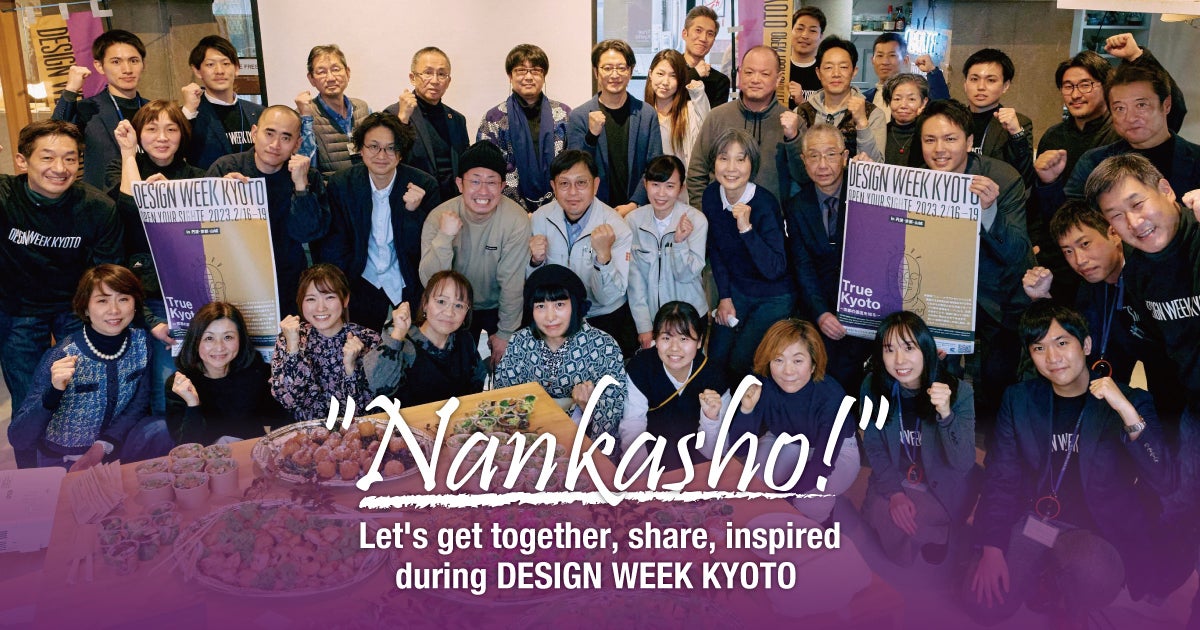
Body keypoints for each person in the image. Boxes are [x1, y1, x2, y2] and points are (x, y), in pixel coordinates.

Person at [966, 300, 1182, 625]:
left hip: (1092, 531)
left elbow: (1163, 478)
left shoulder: (1130, 401)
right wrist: (992, 547)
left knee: (1094, 575)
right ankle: (1039, 572)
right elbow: (1002, 476)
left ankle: (1063, 589)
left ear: (1086, 345)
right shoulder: (1019, 399)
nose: (1052, 357)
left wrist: (1126, 412)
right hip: (1034, 519)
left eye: (1062, 343)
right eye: (1039, 348)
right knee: (983, 606)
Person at [1086, 154, 1200, 531]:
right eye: (1117, 216)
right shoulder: (1138, 274)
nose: (1134, 222)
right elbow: (1153, 346)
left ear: (1166, 190)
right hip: (1194, 411)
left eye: (1137, 204)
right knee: (1182, 511)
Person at [1, 120, 123, 467]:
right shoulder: (5, 196)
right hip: (17, 310)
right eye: (48, 157)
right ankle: (31, 476)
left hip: (73, 308)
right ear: (22, 161)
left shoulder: (98, 208)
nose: (60, 168)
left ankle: (81, 470)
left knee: (82, 390)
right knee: (29, 396)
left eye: (70, 158)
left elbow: (107, 272)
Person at [916, 99, 1033, 436]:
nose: (939, 149)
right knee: (938, 378)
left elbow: (1017, 252)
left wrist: (988, 211)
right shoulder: (916, 179)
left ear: (969, 142)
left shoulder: (1001, 177)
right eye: (930, 140)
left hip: (999, 297)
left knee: (997, 383)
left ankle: (995, 447)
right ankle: (945, 439)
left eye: (950, 139)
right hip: (942, 298)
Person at [1023, 200, 1184, 428]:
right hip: (1145, 376)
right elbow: (1079, 352)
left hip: (1181, 370)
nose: (1079, 260)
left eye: (1085, 244)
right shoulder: (1090, 288)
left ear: (1114, 233)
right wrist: (1041, 299)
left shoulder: (1151, 267)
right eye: (1068, 251)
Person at [9, 264, 172, 470]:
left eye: (123, 299)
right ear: (85, 307)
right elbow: (19, 438)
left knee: (162, 429)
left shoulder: (141, 343)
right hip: (65, 460)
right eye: (102, 300)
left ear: (135, 304)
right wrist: (52, 393)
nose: (114, 310)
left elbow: (137, 405)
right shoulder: (62, 355)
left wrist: (103, 445)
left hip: (111, 448)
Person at [108, 102, 205, 415]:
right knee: (162, 385)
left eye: (171, 129)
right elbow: (128, 213)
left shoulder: (197, 176)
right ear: (139, 134)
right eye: (151, 129)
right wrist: (128, 154)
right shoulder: (123, 170)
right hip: (148, 297)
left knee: (199, 376)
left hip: (195, 291)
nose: (162, 137)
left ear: (182, 134)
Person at [861, 311, 976, 567]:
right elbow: (874, 446)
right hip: (897, 474)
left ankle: (940, 532)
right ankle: (920, 531)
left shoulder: (960, 392)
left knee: (911, 522)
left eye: (909, 347)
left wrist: (946, 414)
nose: (899, 360)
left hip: (940, 482)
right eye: (889, 349)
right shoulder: (872, 386)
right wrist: (895, 493)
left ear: (926, 349)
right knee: (885, 516)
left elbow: (963, 462)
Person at [313, 112, 440, 330]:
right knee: (360, 343)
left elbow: (426, 249)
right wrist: (342, 288)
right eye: (374, 146)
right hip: (360, 280)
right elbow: (334, 243)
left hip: (408, 281)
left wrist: (413, 213)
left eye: (391, 148)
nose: (382, 155)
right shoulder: (342, 184)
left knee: (412, 343)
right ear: (361, 149)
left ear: (401, 153)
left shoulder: (424, 185)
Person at [1039, 41, 1200, 210]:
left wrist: (1138, 56)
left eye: (1141, 105)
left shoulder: (1195, 159)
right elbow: (1069, 219)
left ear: (1166, 105)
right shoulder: (1093, 161)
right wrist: (1050, 183)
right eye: (1120, 108)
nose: (1130, 118)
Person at [728, 319, 858, 524]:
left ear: (813, 364)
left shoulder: (832, 396)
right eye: (778, 360)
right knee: (754, 484)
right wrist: (747, 410)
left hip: (837, 451)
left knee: (810, 501)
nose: (788, 371)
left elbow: (821, 465)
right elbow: (741, 448)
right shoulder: (762, 383)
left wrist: (780, 498)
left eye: (798, 361)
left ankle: (823, 522)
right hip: (785, 438)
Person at [208, 105, 329, 315]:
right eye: (269, 133)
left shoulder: (308, 176)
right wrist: (222, 195)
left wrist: (301, 188)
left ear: (297, 143)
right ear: (254, 133)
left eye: (286, 137)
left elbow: (307, 233)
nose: (275, 145)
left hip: (288, 279)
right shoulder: (226, 168)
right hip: (235, 278)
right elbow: (203, 234)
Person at [419, 140, 530, 366]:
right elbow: (429, 281)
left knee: (508, 364)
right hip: (452, 307)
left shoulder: (515, 219)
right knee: (450, 369)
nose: (483, 191)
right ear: (460, 183)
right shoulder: (439, 216)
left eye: (491, 182)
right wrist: (445, 237)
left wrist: (505, 333)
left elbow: (512, 282)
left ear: (502, 186)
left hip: (496, 305)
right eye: (475, 181)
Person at [495, 264, 626, 450]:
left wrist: (589, 406)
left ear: (575, 305)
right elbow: (503, 398)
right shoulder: (520, 341)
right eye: (541, 306)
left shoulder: (604, 346)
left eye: (559, 305)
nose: (550, 317)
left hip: (584, 445)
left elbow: (617, 414)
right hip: (528, 442)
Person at [785, 124, 871, 395]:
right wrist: (821, 314)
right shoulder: (797, 206)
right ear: (803, 160)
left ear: (845, 157)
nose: (822, 165)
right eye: (814, 156)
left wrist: (872, 177)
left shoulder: (867, 195)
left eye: (831, 154)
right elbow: (803, 267)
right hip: (819, 305)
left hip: (865, 305)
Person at [702, 128, 792, 381]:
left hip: (773, 295)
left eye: (740, 159)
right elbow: (716, 251)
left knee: (741, 362)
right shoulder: (711, 196)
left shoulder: (765, 203)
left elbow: (775, 268)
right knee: (715, 358)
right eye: (723, 158)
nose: (731, 168)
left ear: (752, 164)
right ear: (714, 162)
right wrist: (725, 297)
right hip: (738, 290)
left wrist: (746, 229)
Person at [528, 150, 636, 357]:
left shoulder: (617, 227)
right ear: (553, 187)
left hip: (602, 318)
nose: (572, 192)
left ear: (595, 185)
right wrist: (535, 262)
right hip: (555, 318)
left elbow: (608, 298)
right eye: (564, 184)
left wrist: (603, 258)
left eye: (581, 183)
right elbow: (531, 286)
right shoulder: (540, 219)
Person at [687, 46, 804, 207]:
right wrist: (703, 214)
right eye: (749, 72)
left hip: (771, 219)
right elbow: (696, 173)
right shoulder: (717, 117)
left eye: (764, 74)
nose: (755, 79)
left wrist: (793, 139)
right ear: (740, 74)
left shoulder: (793, 123)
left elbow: (803, 178)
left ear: (778, 79)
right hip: (719, 217)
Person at [622, 302, 726, 471]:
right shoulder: (640, 368)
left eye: (684, 339)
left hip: (696, 461)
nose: (674, 348)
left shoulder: (714, 376)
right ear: (655, 339)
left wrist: (711, 419)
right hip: (650, 457)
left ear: (699, 342)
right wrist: (640, 477)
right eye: (666, 338)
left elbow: (714, 451)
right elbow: (632, 426)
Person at [270, 264, 381, 422]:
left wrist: (350, 369)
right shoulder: (287, 338)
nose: (320, 308)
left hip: (355, 431)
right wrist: (293, 348)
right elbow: (291, 402)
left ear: (345, 299)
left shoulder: (369, 339)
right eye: (311, 299)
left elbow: (369, 410)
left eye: (329, 297)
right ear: (300, 302)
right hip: (308, 432)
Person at [166, 302, 285, 445]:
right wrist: (193, 404)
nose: (219, 347)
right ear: (196, 342)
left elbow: (280, 422)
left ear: (240, 339)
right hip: (208, 457)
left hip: (251, 451)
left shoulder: (258, 373)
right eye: (209, 338)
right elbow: (186, 446)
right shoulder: (180, 384)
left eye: (228, 337)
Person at [567, 39, 663, 217]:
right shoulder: (579, 116)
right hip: (592, 213)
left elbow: (655, 166)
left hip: (637, 214)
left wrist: (634, 204)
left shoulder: (646, 114)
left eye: (621, 68)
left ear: (631, 71)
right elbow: (574, 170)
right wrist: (591, 137)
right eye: (607, 68)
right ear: (596, 72)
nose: (615, 74)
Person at [364, 270, 487, 407]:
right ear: (425, 304)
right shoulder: (403, 342)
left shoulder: (464, 340)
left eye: (459, 305)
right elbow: (379, 387)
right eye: (441, 301)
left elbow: (477, 382)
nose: (449, 312)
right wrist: (397, 334)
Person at [625, 154, 708, 350]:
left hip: (689, 317)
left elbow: (686, 275)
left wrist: (679, 243)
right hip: (653, 319)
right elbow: (635, 281)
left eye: (670, 186)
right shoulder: (633, 221)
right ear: (645, 184)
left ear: (681, 188)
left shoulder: (696, 220)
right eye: (655, 184)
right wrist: (644, 326)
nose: (661, 193)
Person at [477, 44, 572, 212]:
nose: (528, 77)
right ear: (510, 76)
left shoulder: (563, 115)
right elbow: (486, 169)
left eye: (535, 71)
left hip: (559, 209)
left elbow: (573, 165)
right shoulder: (494, 118)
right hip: (508, 210)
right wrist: (516, 211)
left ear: (544, 76)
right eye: (521, 70)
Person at [52, 30, 147, 188]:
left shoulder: (152, 110)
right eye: (116, 62)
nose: (127, 69)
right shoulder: (87, 109)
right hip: (104, 198)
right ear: (99, 66)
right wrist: (70, 90)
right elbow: (53, 138)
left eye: (134, 60)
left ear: (143, 64)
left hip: (150, 197)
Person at [384, 47, 469, 201]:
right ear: (413, 78)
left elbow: (464, 166)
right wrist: (402, 120)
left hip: (452, 204)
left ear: (448, 81)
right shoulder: (394, 114)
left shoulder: (457, 120)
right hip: (413, 204)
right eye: (428, 73)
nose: (435, 81)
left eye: (442, 74)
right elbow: (387, 160)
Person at [794, 36, 884, 162]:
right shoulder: (801, 113)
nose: (836, 74)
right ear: (818, 73)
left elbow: (876, 167)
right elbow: (795, 163)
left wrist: (862, 124)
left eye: (843, 67)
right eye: (828, 67)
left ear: (854, 71)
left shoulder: (873, 114)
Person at [180, 35, 264, 169]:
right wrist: (189, 112)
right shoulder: (190, 114)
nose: (219, 71)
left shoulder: (259, 113)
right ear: (197, 71)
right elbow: (175, 154)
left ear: (237, 68)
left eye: (226, 64)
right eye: (210, 64)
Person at [958, 48, 1035, 190]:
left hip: (997, 199)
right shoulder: (953, 120)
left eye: (991, 80)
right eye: (974, 79)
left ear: (1005, 86)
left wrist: (1016, 134)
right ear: (965, 83)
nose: (981, 87)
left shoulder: (1019, 123)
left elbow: (1025, 177)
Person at [296, 44, 372, 177]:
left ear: (348, 73)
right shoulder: (304, 114)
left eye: (336, 69)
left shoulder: (363, 108)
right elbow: (305, 166)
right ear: (311, 79)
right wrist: (306, 120)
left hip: (364, 185)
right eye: (321, 72)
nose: (330, 78)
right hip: (329, 188)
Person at [645, 49, 710, 191]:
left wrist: (698, 93)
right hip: (652, 193)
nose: (665, 82)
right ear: (650, 74)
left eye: (673, 76)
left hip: (685, 192)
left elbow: (708, 130)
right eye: (660, 74)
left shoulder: (691, 110)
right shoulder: (642, 114)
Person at [862, 33, 949, 118]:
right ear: (872, 60)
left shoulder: (917, 95)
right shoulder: (864, 99)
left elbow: (944, 109)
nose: (885, 62)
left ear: (905, 60)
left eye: (892, 55)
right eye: (880, 55)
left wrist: (932, 71)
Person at [680, 6, 730, 107]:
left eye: (710, 34)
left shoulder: (720, 81)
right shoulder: (667, 68)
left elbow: (714, 116)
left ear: (713, 41)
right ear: (685, 34)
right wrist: (695, 74)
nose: (703, 38)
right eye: (698, 30)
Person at [881, 74, 928, 167]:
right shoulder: (880, 132)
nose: (903, 105)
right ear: (889, 101)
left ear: (924, 102)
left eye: (911, 99)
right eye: (897, 99)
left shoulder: (929, 135)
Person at [787, 7, 826, 109]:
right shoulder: (779, 67)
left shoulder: (825, 72)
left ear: (821, 36)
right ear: (790, 31)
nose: (804, 35)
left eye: (812, 30)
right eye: (800, 29)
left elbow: (829, 114)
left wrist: (802, 101)